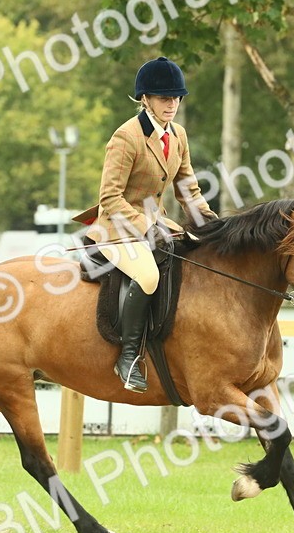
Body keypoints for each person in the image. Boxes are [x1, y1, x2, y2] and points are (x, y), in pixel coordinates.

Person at [76, 57, 216, 393]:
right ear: (145, 99)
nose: (172, 105)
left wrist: (211, 223)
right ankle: (128, 357)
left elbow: (187, 188)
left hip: (158, 221)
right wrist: (144, 226)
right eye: (164, 98)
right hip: (117, 226)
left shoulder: (177, 135)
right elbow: (109, 197)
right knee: (149, 275)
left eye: (176, 98)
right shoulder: (126, 137)